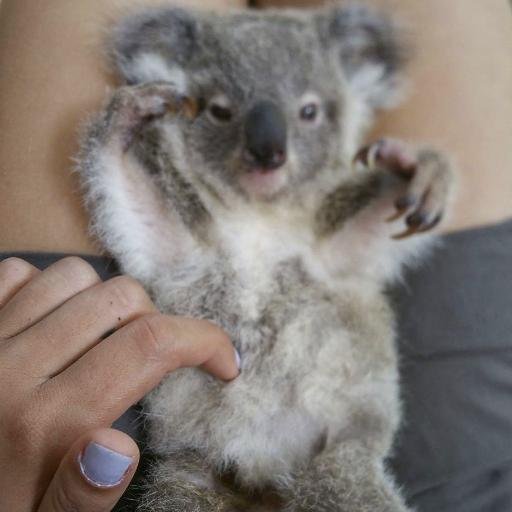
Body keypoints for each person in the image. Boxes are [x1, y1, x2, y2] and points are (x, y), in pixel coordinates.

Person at [0, 0, 511, 510]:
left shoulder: (184, 224)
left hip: (176, 443)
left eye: (305, 113)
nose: (270, 147)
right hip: (348, 440)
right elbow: (372, 234)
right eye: (224, 113)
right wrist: (419, 182)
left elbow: (145, 229)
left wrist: (116, 137)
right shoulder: (326, 228)